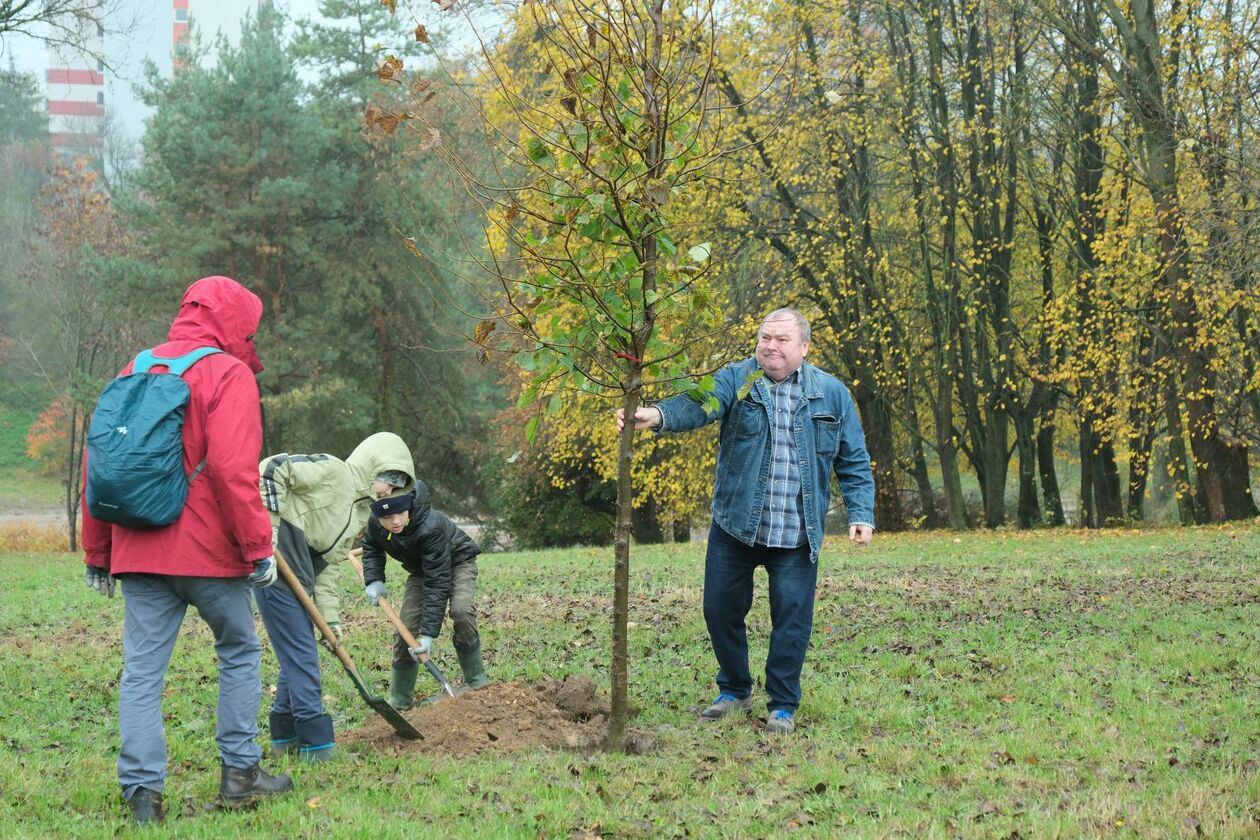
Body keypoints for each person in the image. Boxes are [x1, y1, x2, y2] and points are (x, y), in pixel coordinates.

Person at [81, 276, 293, 825]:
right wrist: (258, 547)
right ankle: (240, 774)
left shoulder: (133, 369)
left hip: (139, 552)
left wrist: (97, 551)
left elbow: (101, 467)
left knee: (142, 674)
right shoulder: (229, 373)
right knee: (240, 650)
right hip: (208, 553)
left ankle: (142, 796)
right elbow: (231, 470)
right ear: (237, 323)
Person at [617, 308, 875, 734]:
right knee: (719, 610)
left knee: (792, 618)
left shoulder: (831, 394)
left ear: (804, 348)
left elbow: (853, 459)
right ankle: (735, 688)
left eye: (781, 340)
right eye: (764, 337)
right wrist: (657, 415)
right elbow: (698, 405)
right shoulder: (737, 379)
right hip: (736, 526)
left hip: (796, 532)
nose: (770, 346)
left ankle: (783, 705)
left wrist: (860, 513)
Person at [256, 432, 417, 761]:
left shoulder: (360, 513)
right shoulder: (334, 471)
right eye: (388, 477)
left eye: (397, 483)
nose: (389, 489)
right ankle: (318, 746)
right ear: (373, 465)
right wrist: (269, 529)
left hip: (304, 566)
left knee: (297, 648)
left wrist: (330, 620)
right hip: (279, 552)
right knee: (301, 651)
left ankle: (285, 737)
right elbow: (272, 467)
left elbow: (327, 570)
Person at [360, 479, 487, 709]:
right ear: (378, 517)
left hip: (458, 562)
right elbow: (371, 547)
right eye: (387, 517)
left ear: (408, 505)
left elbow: (437, 584)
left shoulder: (430, 526)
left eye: (400, 513)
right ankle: (400, 698)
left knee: (461, 611)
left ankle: (477, 682)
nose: (395, 522)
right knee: (404, 629)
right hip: (421, 570)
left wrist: (428, 635)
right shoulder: (376, 525)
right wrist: (374, 580)